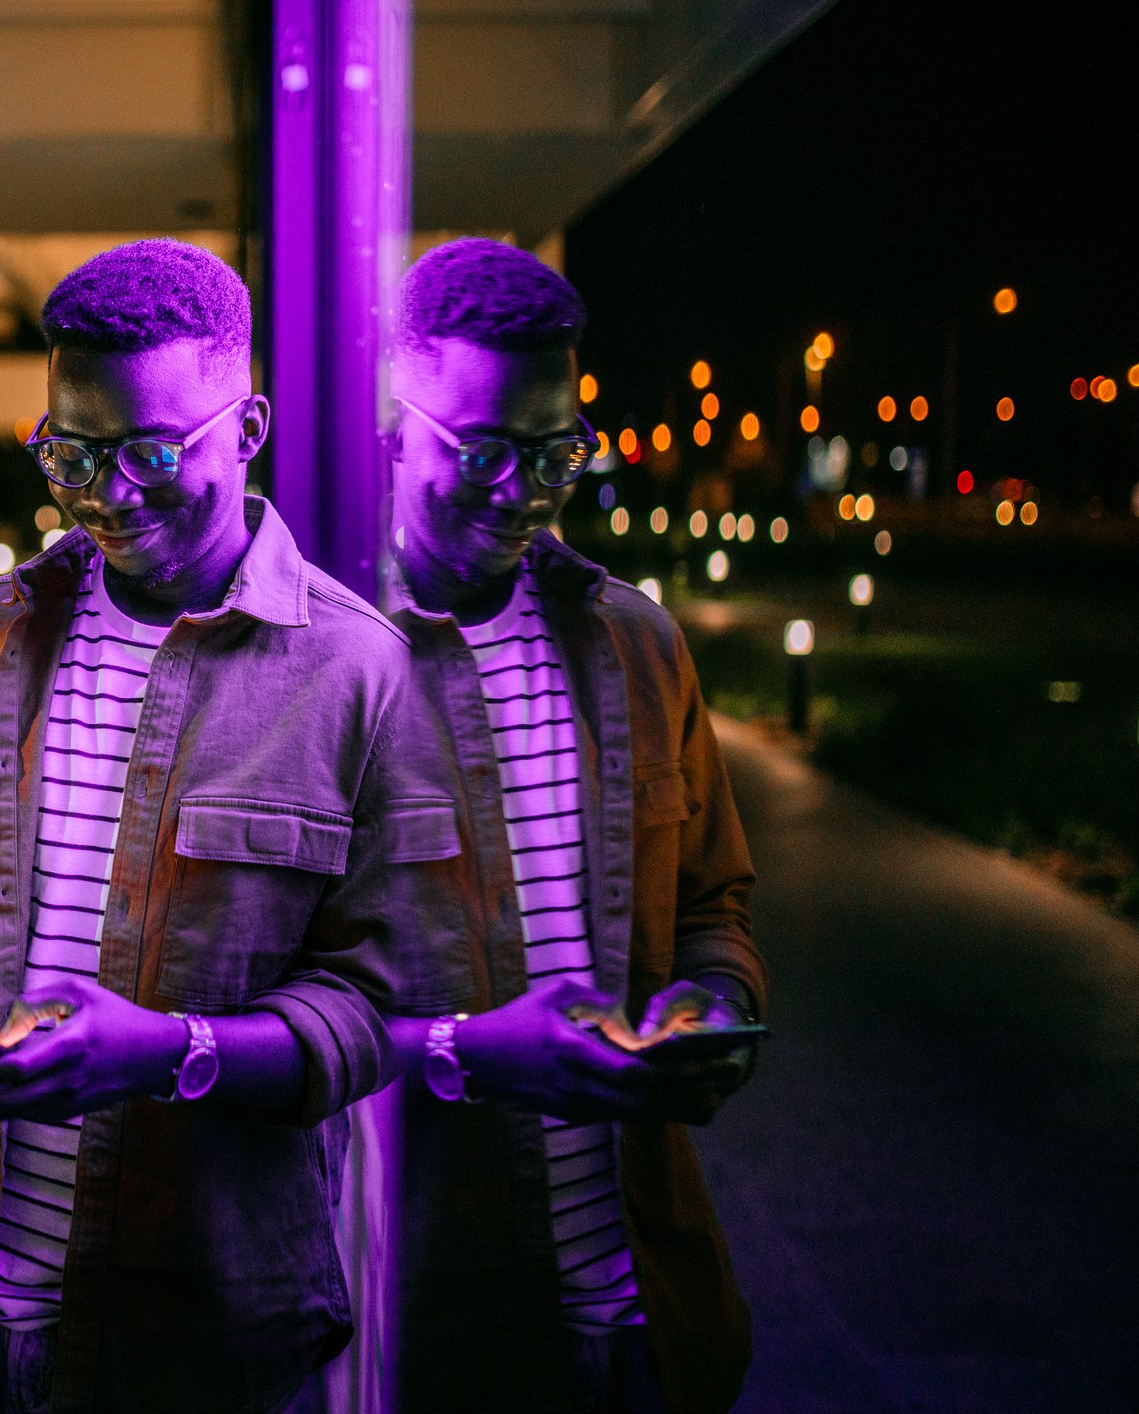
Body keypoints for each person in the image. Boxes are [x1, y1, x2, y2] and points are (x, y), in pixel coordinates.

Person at [0, 239, 421, 1414]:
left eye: (153, 450)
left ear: (247, 428)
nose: (108, 493)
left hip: (215, 1332)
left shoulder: (360, 671)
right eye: (72, 453)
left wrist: (171, 1052)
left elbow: (386, 1001)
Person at [382, 238, 767, 1414]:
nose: (523, 489)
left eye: (557, 451)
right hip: (404, 1308)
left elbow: (712, 903)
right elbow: (222, 1010)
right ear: (391, 424)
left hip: (628, 1308)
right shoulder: (308, 658)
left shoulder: (635, 643)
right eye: (482, 448)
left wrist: (714, 1000)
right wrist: (466, 1050)